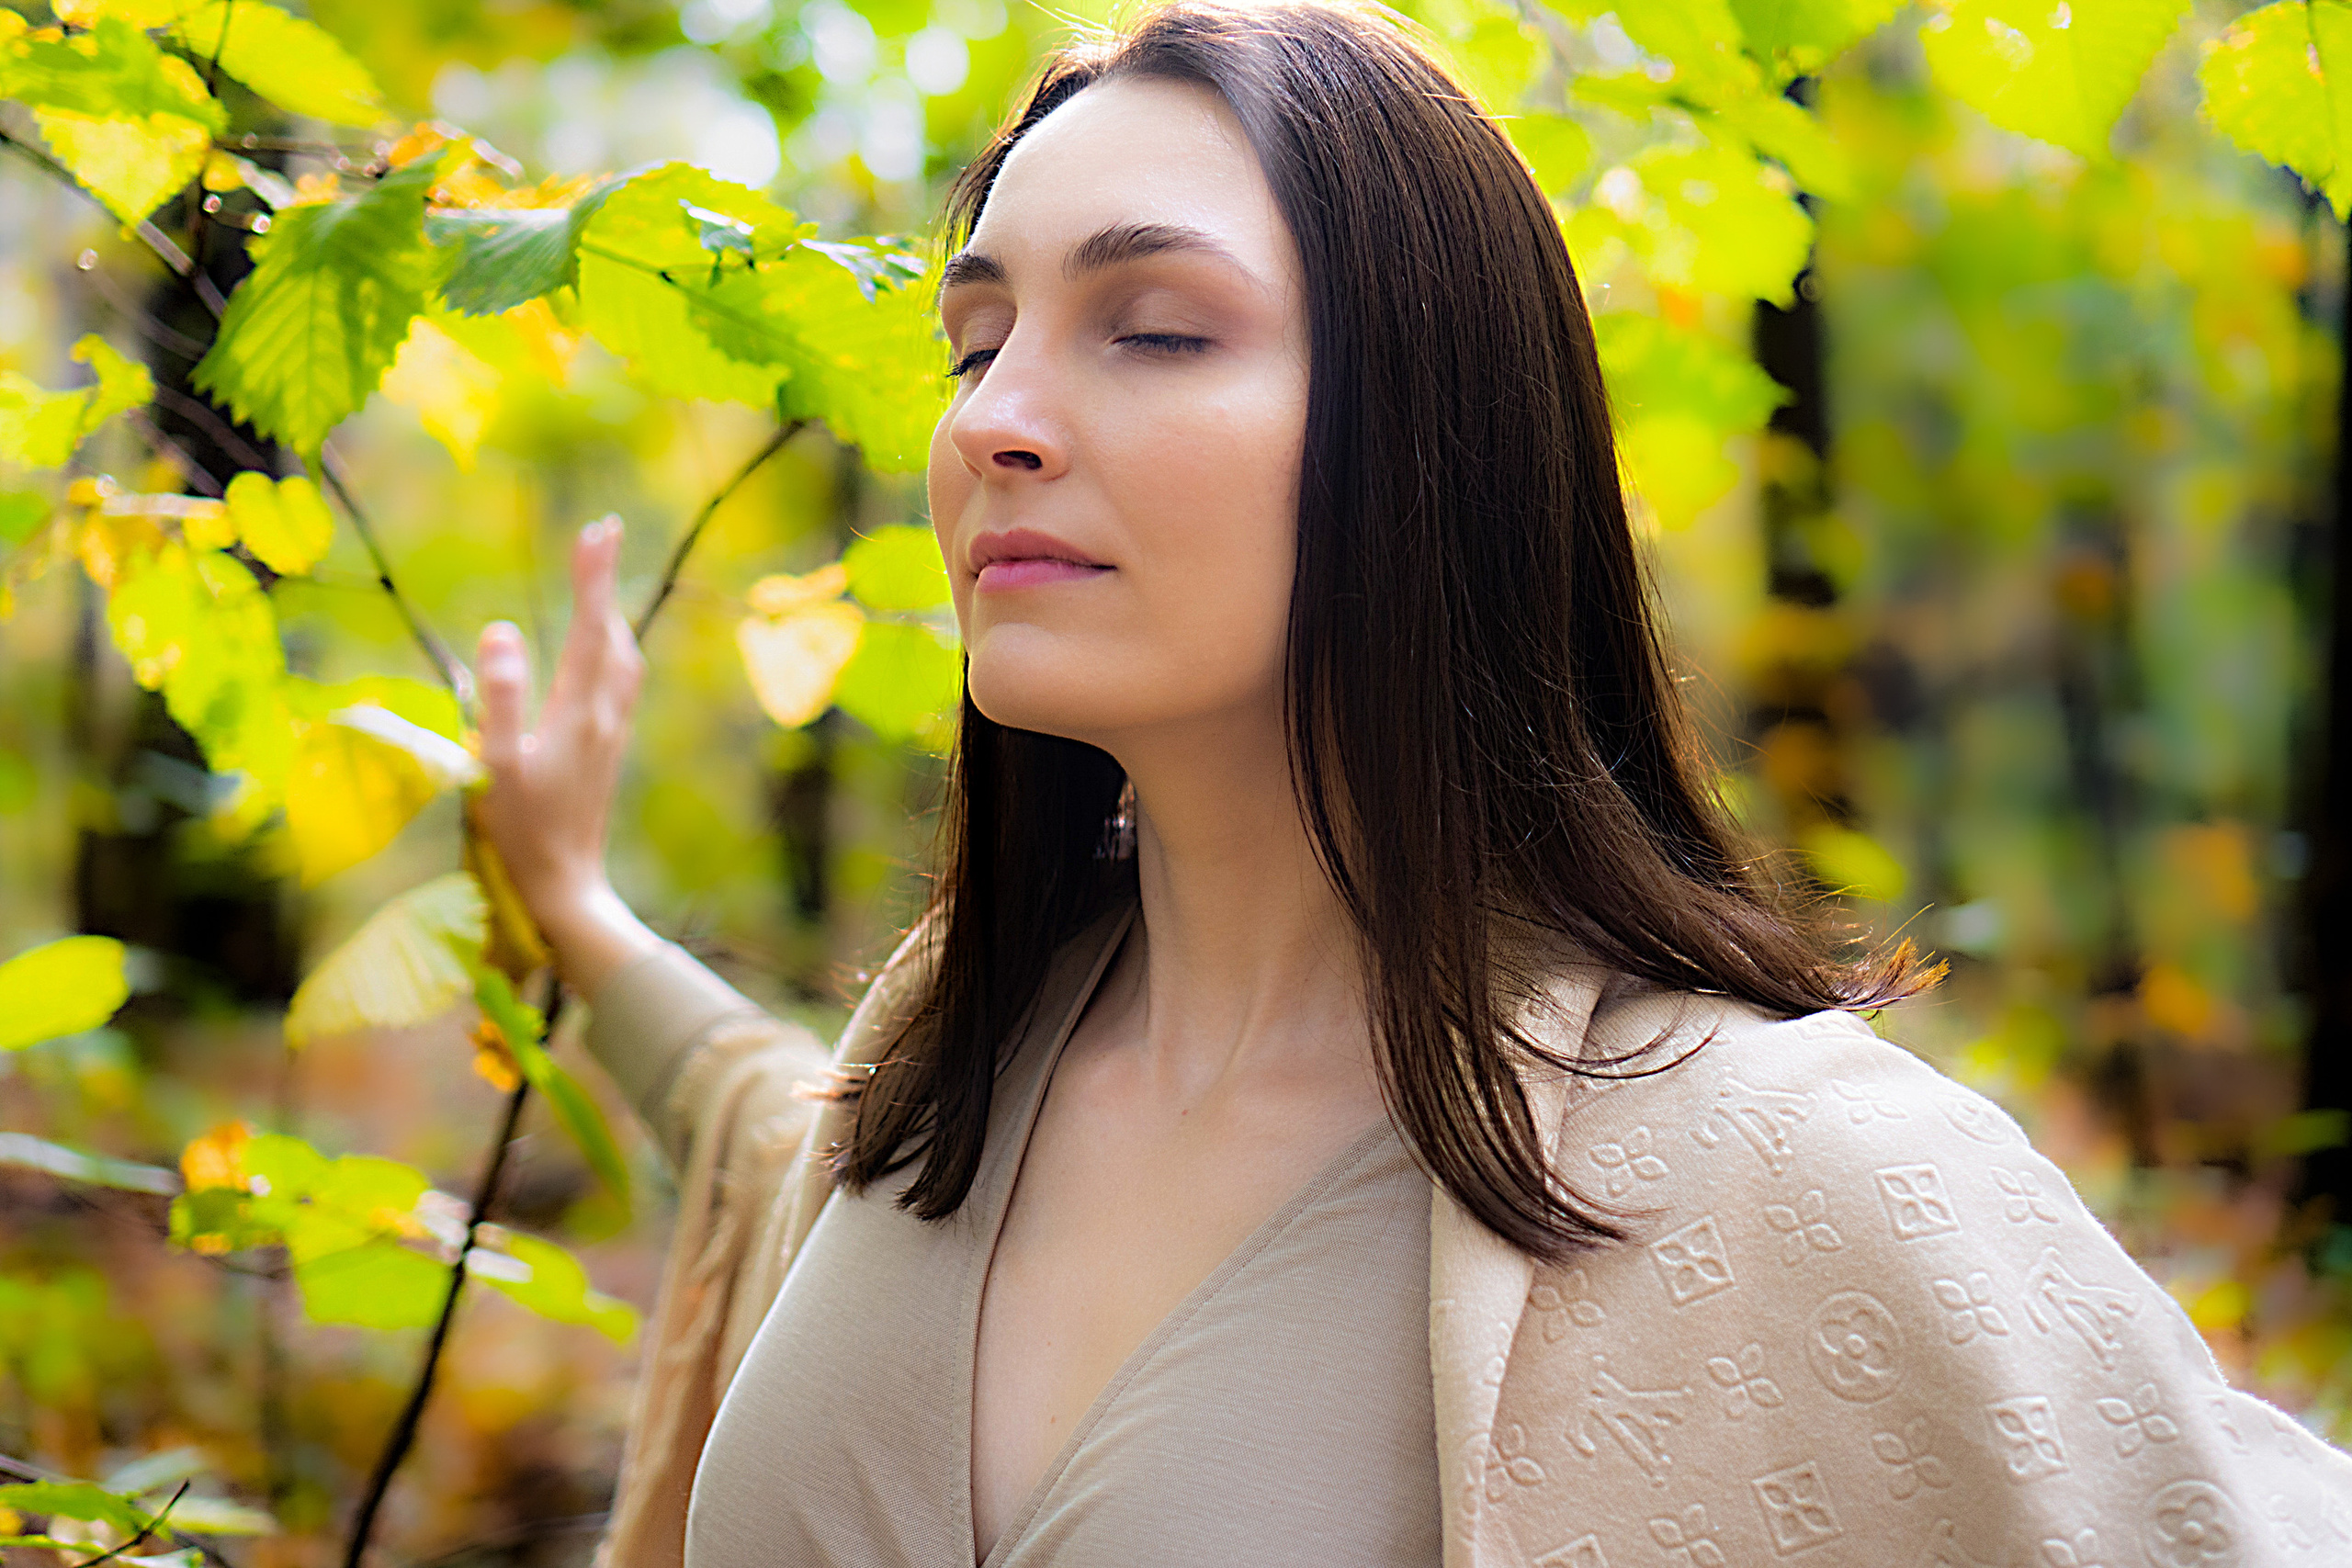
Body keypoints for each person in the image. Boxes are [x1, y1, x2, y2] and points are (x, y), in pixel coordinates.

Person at [470, 3, 2352, 1564]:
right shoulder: (943, 1057)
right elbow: (763, 1126)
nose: (993, 420)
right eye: (978, 340)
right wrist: (576, 901)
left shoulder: (1799, 1172)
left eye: (1152, 328)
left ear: (1431, 428)